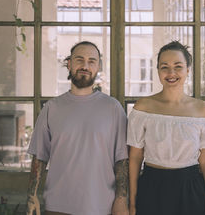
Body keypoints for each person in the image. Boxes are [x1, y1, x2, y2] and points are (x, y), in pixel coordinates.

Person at [26, 41, 129, 215]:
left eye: (91, 61)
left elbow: (122, 160)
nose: (85, 66)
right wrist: (32, 195)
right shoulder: (52, 108)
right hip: (57, 206)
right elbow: (39, 157)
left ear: (98, 67)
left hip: (101, 206)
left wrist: (121, 200)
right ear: (69, 64)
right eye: (79, 60)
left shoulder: (113, 108)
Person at [127, 41, 205, 215]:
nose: (171, 73)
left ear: (187, 70)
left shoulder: (201, 110)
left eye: (178, 66)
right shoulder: (143, 108)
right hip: (151, 188)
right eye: (165, 67)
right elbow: (135, 157)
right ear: (158, 71)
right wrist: (132, 205)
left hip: (191, 191)